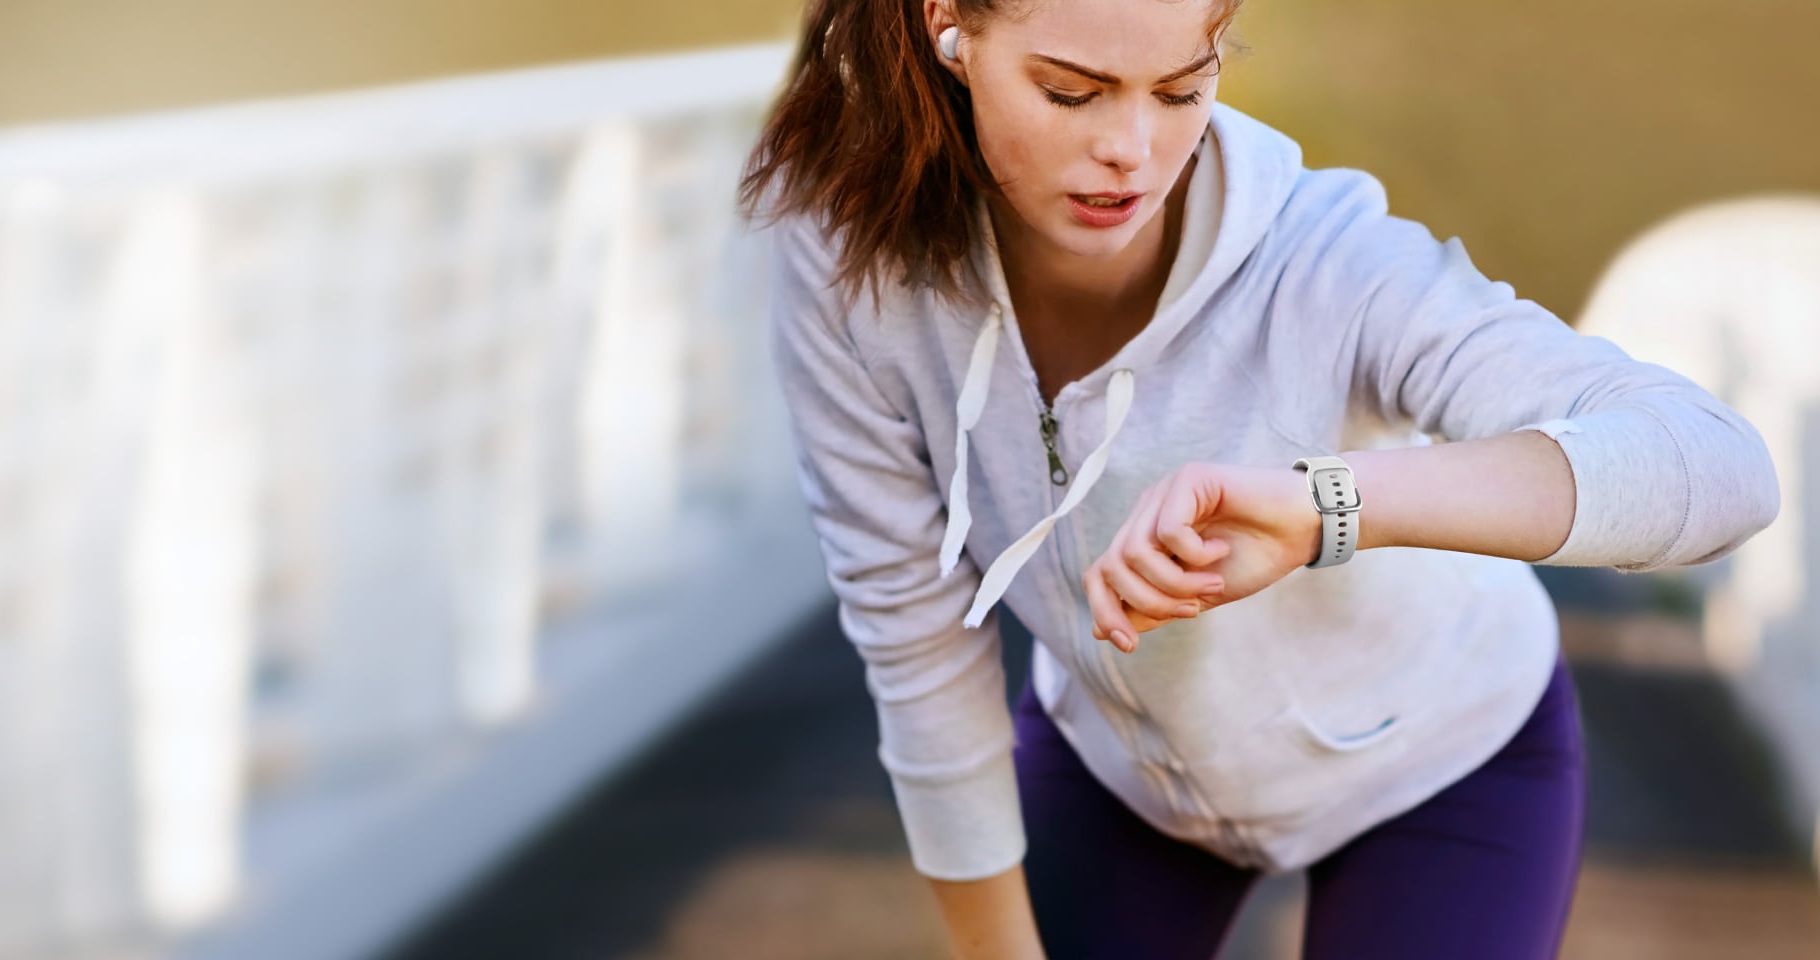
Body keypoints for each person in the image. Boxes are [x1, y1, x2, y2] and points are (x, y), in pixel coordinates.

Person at [736, 0, 1782, 957]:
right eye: (1071, 92)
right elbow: (913, 636)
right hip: (1119, 773)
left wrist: (1328, 506)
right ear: (948, 26)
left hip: (1446, 763)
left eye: (1181, 90)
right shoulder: (843, 252)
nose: (1131, 151)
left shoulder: (1328, 265)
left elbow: (1719, 466)